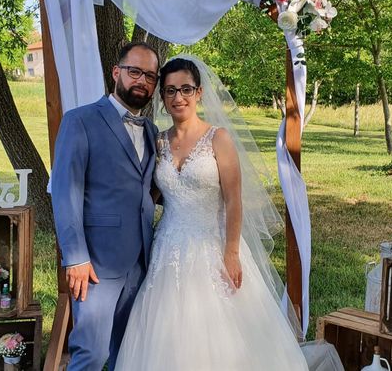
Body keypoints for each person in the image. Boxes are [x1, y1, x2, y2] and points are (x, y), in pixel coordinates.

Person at [115, 55, 343, 371]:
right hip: (167, 249)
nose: (178, 97)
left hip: (213, 245)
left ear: (198, 93)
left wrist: (232, 253)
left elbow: (234, 201)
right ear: (163, 99)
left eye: (185, 89)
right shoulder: (159, 142)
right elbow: (153, 193)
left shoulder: (218, 138)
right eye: (170, 91)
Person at [50, 42, 161, 371]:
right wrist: (75, 256)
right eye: (134, 71)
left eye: (150, 76)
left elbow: (149, 189)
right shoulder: (80, 121)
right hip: (95, 264)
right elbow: (65, 191)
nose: (141, 80)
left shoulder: (153, 131)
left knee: (127, 354)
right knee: (92, 353)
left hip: (142, 262)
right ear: (116, 73)